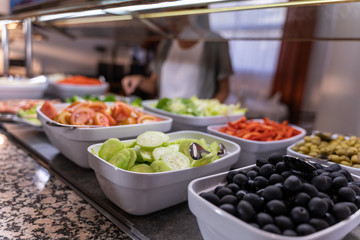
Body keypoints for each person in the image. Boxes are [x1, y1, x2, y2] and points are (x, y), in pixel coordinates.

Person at [121, 14, 233, 103]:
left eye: (177, 19)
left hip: (194, 123)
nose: (171, 24)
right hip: (164, 116)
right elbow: (154, 85)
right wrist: (139, 81)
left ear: (193, 13)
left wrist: (204, 113)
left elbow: (224, 91)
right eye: (168, 19)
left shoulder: (215, 42)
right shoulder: (166, 43)